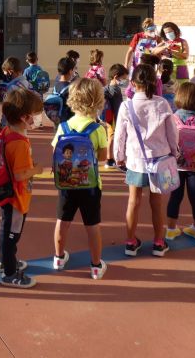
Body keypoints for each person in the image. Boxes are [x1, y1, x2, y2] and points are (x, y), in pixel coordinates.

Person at [114, 63, 178, 257]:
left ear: (133, 83)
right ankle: (159, 242)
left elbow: (119, 135)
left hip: (135, 160)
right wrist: (174, 153)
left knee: (133, 201)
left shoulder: (127, 105)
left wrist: (119, 157)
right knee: (156, 202)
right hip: (159, 159)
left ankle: (131, 241)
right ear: (154, 81)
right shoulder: (162, 103)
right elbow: (172, 133)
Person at [51, 79, 109, 280]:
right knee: (92, 225)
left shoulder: (63, 127)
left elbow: (55, 151)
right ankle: (95, 265)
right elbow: (102, 157)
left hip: (66, 184)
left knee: (63, 221)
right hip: (90, 185)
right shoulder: (98, 129)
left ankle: (58, 257)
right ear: (98, 101)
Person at [0, 87, 44, 288]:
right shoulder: (20, 144)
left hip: (7, 192)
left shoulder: (8, 131)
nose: (37, 119)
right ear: (24, 117)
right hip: (16, 197)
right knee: (11, 234)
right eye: (34, 115)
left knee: (5, 229)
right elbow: (19, 174)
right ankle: (9, 273)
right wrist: (37, 170)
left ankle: (5, 260)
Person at [166, 82, 195, 242]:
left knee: (175, 197)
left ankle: (171, 230)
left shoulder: (173, 117)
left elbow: (168, 140)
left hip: (176, 165)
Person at [103, 64, 129, 169]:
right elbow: (118, 105)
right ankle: (109, 159)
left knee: (111, 136)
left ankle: (110, 159)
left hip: (109, 114)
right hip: (114, 115)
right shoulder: (114, 89)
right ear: (116, 76)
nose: (124, 81)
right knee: (113, 136)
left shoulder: (108, 87)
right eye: (123, 78)